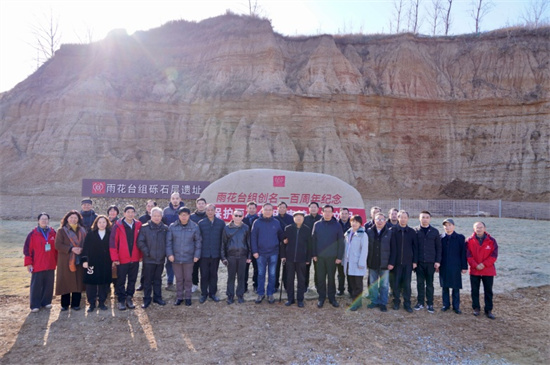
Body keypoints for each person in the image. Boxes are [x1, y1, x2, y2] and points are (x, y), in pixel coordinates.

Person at [166, 207, 201, 306]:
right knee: (179, 278)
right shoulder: (172, 227)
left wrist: (196, 255)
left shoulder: (194, 227)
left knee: (188, 278)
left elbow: (198, 242)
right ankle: (179, 297)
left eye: (186, 215)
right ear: (179, 216)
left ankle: (188, 297)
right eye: (182, 215)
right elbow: (168, 242)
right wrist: (170, 254)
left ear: (189, 215)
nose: (184, 217)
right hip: (176, 257)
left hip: (189, 258)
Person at [110, 205, 142, 311]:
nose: (130, 214)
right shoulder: (118, 225)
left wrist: (140, 256)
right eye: (128, 212)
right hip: (122, 259)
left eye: (132, 212)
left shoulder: (138, 225)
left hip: (135, 258)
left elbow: (141, 241)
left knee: (132, 280)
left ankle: (129, 298)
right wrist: (115, 258)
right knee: (120, 280)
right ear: (124, 214)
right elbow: (113, 243)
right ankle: (121, 300)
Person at [312, 204, 345, 308]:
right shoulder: (317, 224)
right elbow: (313, 240)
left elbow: (341, 242)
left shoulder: (337, 225)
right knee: (320, 278)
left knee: (331, 278)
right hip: (320, 257)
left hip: (332, 257)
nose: (327, 213)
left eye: (329, 211)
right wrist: (314, 254)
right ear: (322, 212)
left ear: (332, 213)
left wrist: (339, 257)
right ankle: (321, 298)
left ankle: (332, 298)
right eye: (325, 211)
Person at [23, 212, 57, 313]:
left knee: (49, 284)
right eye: (42, 219)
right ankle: (35, 304)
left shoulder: (52, 233)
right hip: (37, 264)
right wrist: (29, 263)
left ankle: (46, 302)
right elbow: (27, 250)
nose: (44, 221)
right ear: (38, 221)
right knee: (36, 285)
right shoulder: (32, 234)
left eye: (46, 219)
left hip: (50, 263)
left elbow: (57, 249)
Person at [251, 203, 284, 304]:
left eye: (270, 210)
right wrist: (255, 251)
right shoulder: (257, 222)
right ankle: (261, 293)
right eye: (266, 209)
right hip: (260, 253)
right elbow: (253, 238)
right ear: (262, 210)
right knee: (261, 274)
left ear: (273, 211)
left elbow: (280, 236)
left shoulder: (276, 222)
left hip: (273, 253)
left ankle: (270, 293)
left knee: (272, 274)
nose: (268, 211)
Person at [137, 207, 168, 308]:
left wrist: (165, 253)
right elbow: (140, 241)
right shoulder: (145, 227)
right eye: (154, 215)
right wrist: (147, 252)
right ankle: (146, 299)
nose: (156, 218)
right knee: (147, 280)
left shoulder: (165, 228)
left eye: (159, 216)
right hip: (149, 259)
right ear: (151, 216)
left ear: (161, 217)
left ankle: (157, 297)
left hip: (160, 259)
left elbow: (168, 243)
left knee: (158, 279)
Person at [55, 210, 86, 311]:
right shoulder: (61, 231)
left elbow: (86, 243)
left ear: (78, 219)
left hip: (79, 259)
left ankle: (76, 304)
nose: (73, 219)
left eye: (75, 218)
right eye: (71, 217)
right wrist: (71, 249)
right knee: (65, 281)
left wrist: (82, 249)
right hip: (66, 260)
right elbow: (58, 245)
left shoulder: (82, 230)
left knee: (78, 282)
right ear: (67, 219)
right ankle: (64, 305)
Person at [466, 221, 498, 319]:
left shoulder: (492, 241)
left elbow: (494, 255)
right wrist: (475, 265)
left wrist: (484, 264)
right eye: (477, 227)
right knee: (474, 290)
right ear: (474, 229)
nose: (479, 229)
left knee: (488, 291)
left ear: (484, 228)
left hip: (488, 271)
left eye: (481, 227)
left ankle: (488, 310)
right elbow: (468, 255)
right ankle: (476, 308)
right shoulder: (469, 241)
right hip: (475, 270)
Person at [388, 210, 417, 313]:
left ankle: (407, 303)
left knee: (406, 284)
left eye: (405, 217)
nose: (403, 219)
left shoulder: (412, 232)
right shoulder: (392, 230)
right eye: (401, 217)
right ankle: (396, 302)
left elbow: (415, 248)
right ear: (398, 218)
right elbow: (390, 248)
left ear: (408, 219)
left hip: (408, 263)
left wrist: (415, 261)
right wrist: (390, 262)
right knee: (395, 284)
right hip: (395, 264)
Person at [281, 211, 312, 308]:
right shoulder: (288, 229)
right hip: (289, 259)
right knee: (289, 280)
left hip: (301, 259)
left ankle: (300, 300)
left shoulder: (307, 230)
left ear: (303, 218)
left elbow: (310, 246)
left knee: (301, 280)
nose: (298, 218)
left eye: (300, 217)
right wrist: (283, 256)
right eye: (296, 217)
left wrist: (308, 259)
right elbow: (283, 243)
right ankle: (290, 299)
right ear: (293, 218)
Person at [82, 215, 112, 312]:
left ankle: (102, 302)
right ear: (96, 223)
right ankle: (91, 303)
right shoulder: (91, 234)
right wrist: (85, 260)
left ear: (107, 223)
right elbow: (85, 248)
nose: (102, 224)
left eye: (104, 222)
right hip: (92, 263)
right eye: (100, 222)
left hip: (105, 263)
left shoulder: (110, 234)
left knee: (103, 283)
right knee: (91, 283)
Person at [221, 209, 251, 304]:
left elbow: (249, 243)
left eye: (240, 216)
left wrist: (249, 256)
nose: (238, 217)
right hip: (231, 256)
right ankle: (230, 295)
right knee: (231, 277)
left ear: (242, 217)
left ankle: (240, 295)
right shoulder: (227, 228)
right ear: (232, 216)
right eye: (236, 215)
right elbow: (223, 244)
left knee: (241, 277)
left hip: (242, 256)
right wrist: (223, 257)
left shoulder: (246, 228)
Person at [414, 211, 441, 313]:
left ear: (430, 219)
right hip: (419, 262)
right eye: (423, 217)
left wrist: (437, 261)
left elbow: (439, 248)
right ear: (419, 218)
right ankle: (420, 302)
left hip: (431, 262)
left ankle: (430, 303)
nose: (425, 219)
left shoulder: (434, 231)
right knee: (420, 283)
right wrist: (414, 261)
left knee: (430, 284)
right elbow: (414, 248)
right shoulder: (415, 231)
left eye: (427, 217)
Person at [197, 203, 225, 303]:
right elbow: (198, 239)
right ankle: (204, 294)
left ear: (215, 211)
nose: (210, 212)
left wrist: (222, 254)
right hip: (203, 254)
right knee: (204, 274)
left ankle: (212, 293)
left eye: (211, 210)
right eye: (208, 210)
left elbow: (223, 239)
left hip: (215, 253)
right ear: (205, 211)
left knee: (213, 274)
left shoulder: (221, 223)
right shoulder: (201, 223)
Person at [439, 218, 467, 314]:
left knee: (455, 287)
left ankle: (456, 306)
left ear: (453, 226)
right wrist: (437, 264)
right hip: (444, 266)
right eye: (445, 225)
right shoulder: (441, 237)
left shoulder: (460, 238)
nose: (447, 227)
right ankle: (445, 304)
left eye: (449, 225)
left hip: (456, 266)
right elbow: (438, 253)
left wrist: (464, 267)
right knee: (445, 286)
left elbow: (463, 253)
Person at [366, 212, 392, 312]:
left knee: (384, 285)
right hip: (372, 262)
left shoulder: (389, 232)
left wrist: (391, 262)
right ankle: (374, 301)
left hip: (385, 264)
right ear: (374, 220)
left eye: (382, 219)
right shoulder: (369, 231)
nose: (380, 221)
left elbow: (393, 249)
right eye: (378, 219)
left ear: (385, 221)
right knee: (373, 283)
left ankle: (383, 303)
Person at [342, 215, 368, 311]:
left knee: (358, 284)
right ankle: (353, 299)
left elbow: (364, 250)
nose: (354, 223)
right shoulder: (348, 233)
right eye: (353, 221)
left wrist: (361, 263)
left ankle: (357, 302)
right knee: (351, 282)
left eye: (356, 222)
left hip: (357, 263)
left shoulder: (363, 234)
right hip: (348, 262)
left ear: (360, 223)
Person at [162, 192, 185, 292]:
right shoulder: (166, 211)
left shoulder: (184, 210)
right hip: (169, 241)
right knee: (170, 262)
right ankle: (170, 282)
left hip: (182, 241)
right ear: (170, 200)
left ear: (180, 199)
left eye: (177, 198)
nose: (175, 200)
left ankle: (181, 282)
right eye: (173, 198)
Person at [137, 199, 157, 291]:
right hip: (146, 246)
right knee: (144, 268)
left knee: (156, 268)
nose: (150, 208)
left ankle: (153, 283)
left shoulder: (159, 217)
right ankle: (142, 284)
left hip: (156, 247)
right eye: (148, 206)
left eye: (152, 206)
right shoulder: (142, 219)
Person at [190, 197, 208, 293]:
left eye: (202, 203)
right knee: (194, 267)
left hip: (206, 245)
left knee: (205, 268)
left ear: (205, 205)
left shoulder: (208, 216)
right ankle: (194, 284)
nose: (201, 205)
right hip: (194, 246)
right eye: (199, 203)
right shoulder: (192, 217)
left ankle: (205, 285)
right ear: (196, 205)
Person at [274, 202, 293, 291]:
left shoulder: (291, 218)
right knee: (275, 267)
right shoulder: (274, 219)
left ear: (286, 209)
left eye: (283, 207)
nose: (282, 209)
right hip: (276, 246)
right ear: (277, 208)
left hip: (287, 246)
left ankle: (286, 285)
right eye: (280, 207)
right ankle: (275, 285)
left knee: (287, 268)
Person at [304, 202, 322, 291]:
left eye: (315, 207)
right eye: (312, 207)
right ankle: (305, 286)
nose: (313, 209)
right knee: (305, 267)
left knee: (318, 268)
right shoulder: (305, 219)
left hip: (318, 247)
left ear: (318, 209)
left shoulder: (321, 219)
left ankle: (318, 285)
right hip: (306, 247)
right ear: (309, 208)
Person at [243, 201, 259, 293]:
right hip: (245, 249)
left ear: (256, 209)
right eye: (250, 208)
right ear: (247, 209)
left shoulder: (259, 220)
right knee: (244, 269)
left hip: (256, 248)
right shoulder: (242, 220)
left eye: (253, 208)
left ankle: (256, 285)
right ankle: (244, 286)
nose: (252, 210)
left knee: (257, 269)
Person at [337, 207, 351, 296]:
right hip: (339, 251)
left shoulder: (352, 223)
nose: (344, 215)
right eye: (342, 214)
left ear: (349, 214)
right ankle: (341, 289)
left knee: (350, 273)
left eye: (346, 214)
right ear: (339, 215)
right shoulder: (336, 224)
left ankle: (350, 290)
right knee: (340, 273)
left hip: (350, 252)